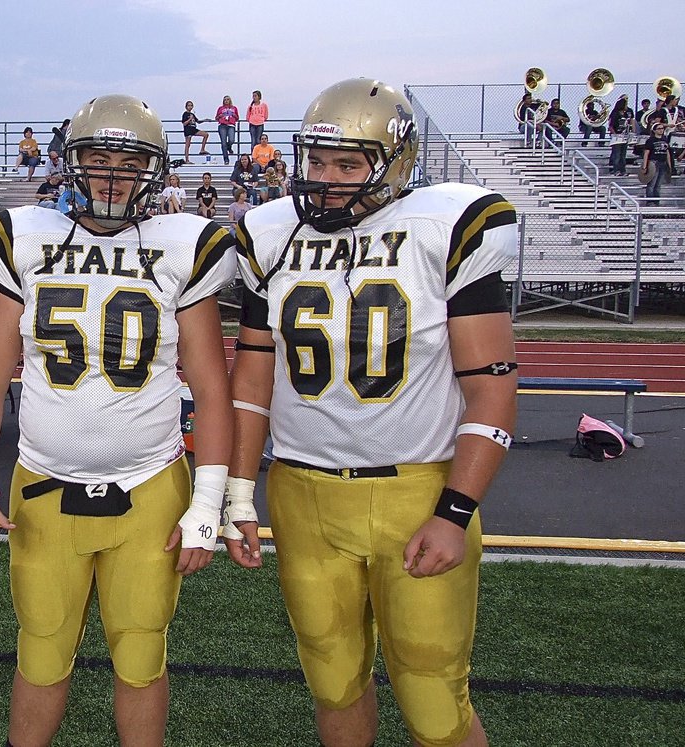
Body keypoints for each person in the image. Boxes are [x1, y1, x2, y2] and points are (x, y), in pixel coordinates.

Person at [226, 78, 518, 747]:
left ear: (395, 164)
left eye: (348, 164)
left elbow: (494, 388)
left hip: (415, 487)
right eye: (317, 161)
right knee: (333, 680)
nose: (325, 180)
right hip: (302, 493)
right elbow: (252, 380)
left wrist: (453, 512)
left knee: (433, 692)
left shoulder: (443, 227)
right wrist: (240, 494)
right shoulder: (270, 236)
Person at [0, 93, 235, 747]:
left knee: (141, 654)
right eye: (98, 159)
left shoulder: (182, 245)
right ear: (72, 164)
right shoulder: (24, 239)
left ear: (153, 173)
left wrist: (209, 503)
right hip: (45, 488)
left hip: (150, 491)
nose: (110, 174)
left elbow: (212, 389)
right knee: (42, 649)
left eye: (127, 162)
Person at [641, 121, 674, 206]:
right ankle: (650, 201)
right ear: (654, 130)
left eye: (662, 128)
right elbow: (646, 153)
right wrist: (644, 166)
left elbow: (667, 153)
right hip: (653, 163)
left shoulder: (665, 139)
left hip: (663, 163)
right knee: (652, 183)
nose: (661, 130)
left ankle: (656, 201)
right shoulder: (650, 140)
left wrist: (669, 165)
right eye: (659, 129)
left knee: (658, 184)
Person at [608, 95, 635, 176]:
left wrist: (633, 132)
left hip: (625, 135)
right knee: (617, 154)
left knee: (623, 155)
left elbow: (632, 121)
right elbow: (611, 125)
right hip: (617, 136)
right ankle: (615, 170)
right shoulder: (615, 113)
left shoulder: (629, 111)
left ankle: (623, 170)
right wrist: (615, 135)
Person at [215, 95, 239, 164]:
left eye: (228, 99)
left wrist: (234, 115)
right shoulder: (220, 108)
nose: (226, 101)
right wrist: (220, 116)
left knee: (232, 140)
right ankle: (226, 159)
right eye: (225, 100)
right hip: (222, 125)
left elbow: (237, 118)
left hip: (231, 125)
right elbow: (216, 118)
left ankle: (229, 147)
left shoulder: (234, 108)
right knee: (223, 143)